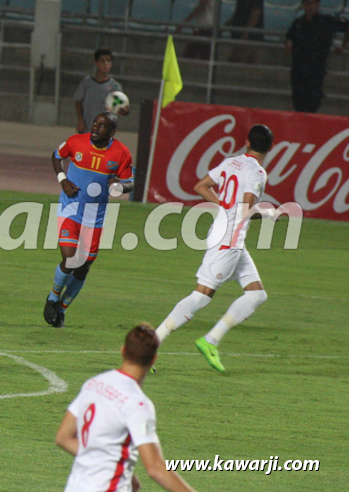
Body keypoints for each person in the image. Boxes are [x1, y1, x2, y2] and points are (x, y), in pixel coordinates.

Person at [155, 125, 279, 372]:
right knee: (201, 296)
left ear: (246, 142)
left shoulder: (231, 163)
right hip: (228, 241)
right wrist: (269, 212)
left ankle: (210, 340)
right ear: (271, 147)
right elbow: (246, 211)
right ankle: (152, 343)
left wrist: (224, 204)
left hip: (229, 238)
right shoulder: (257, 173)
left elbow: (201, 186)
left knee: (257, 294)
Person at [56, 323, 198, 492]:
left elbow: (63, 438)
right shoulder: (137, 404)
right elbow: (155, 468)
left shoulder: (93, 384)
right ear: (153, 359)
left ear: (123, 351)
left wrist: (118, 470)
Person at [44, 112, 134, 328]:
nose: (95, 127)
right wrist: (62, 179)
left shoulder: (121, 153)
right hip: (70, 209)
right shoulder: (76, 142)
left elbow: (130, 183)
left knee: (83, 267)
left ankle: (63, 309)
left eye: (102, 126)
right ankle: (53, 297)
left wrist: (119, 186)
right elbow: (56, 156)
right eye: (95, 123)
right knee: (70, 258)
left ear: (111, 132)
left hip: (95, 217)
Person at [285, 0, 349, 113]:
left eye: (314, 3)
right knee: (298, 97)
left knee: (312, 98)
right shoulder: (298, 23)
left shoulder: (326, 21)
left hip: (316, 66)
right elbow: (290, 36)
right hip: (299, 67)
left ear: (318, 4)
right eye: (308, 3)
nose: (311, 6)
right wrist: (289, 43)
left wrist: (343, 45)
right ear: (304, 5)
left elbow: (346, 26)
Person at [73, 48, 128, 136]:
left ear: (111, 64)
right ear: (96, 63)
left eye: (108, 61)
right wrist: (81, 120)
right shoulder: (87, 83)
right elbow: (78, 101)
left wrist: (122, 109)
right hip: (87, 128)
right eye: (102, 61)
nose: (106, 64)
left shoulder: (115, 86)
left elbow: (122, 107)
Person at [225, 0, 264, 64]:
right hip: (244, 34)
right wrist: (229, 22)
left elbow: (256, 12)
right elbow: (241, 11)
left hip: (248, 37)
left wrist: (247, 32)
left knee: (235, 62)